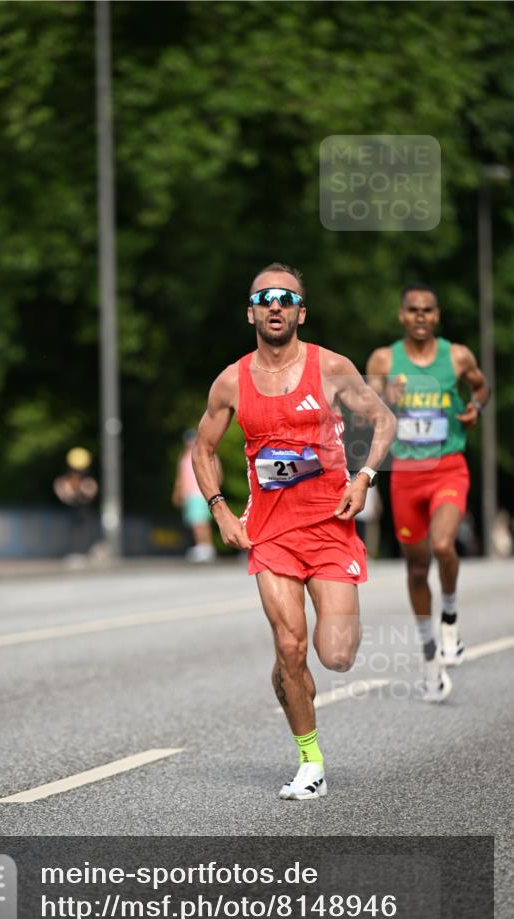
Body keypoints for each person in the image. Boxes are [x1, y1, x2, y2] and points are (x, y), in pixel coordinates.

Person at [192, 263, 396, 801]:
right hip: (271, 533)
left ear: (300, 311)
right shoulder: (231, 381)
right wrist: (218, 509)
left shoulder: (330, 367)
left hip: (330, 527)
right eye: (265, 298)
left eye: (285, 298)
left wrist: (366, 477)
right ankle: (310, 762)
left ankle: (290, 673)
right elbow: (203, 448)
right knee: (290, 644)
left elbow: (383, 421)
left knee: (336, 656)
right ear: (252, 312)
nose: (275, 306)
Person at [366, 284, 490, 702]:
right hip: (404, 475)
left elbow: (481, 387)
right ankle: (429, 654)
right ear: (402, 315)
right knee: (417, 569)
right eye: (413, 310)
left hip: (448, 468)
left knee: (442, 545)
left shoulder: (457, 355)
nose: (420, 316)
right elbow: (365, 406)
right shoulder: (384, 359)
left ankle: (450, 620)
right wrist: (384, 396)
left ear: (437, 316)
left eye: (428, 310)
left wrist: (476, 409)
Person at [172, 429, 220, 563]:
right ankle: (203, 546)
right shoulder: (185, 457)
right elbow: (181, 478)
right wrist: (178, 492)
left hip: (200, 493)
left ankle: (206, 547)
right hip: (190, 494)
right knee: (196, 521)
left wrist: (213, 490)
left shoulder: (205, 453)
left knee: (200, 521)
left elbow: (217, 473)